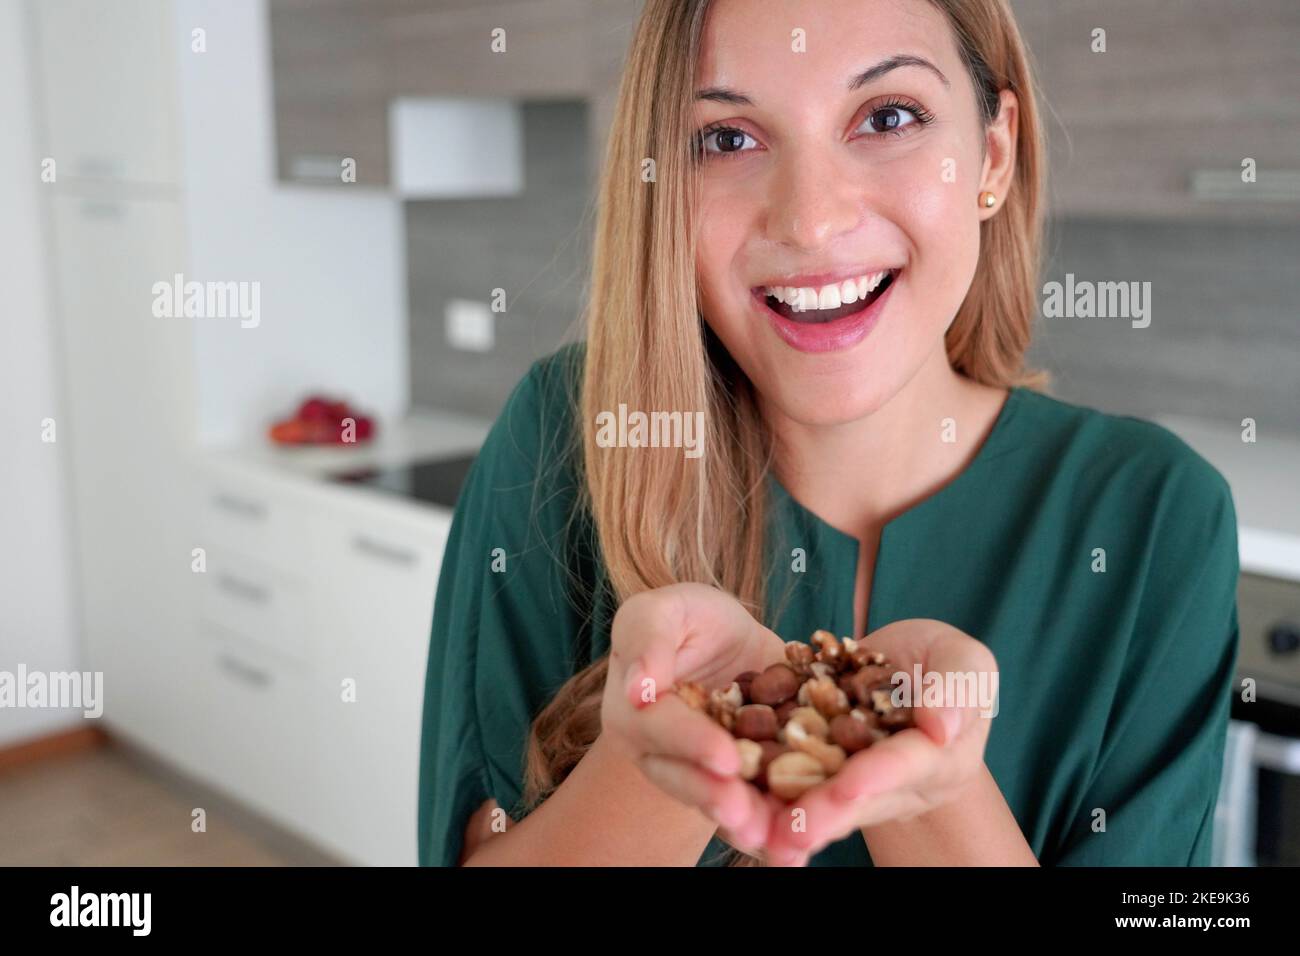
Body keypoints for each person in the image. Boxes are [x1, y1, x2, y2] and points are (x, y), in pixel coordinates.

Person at [417, 0, 1239, 867]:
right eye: (728, 138)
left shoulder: (1158, 516)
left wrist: (935, 785)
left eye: (888, 118)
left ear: (992, 153)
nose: (809, 220)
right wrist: (672, 749)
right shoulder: (562, 436)